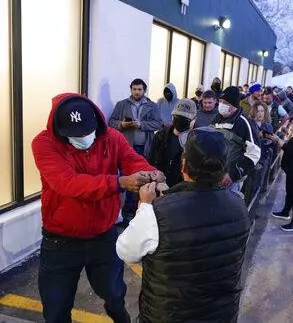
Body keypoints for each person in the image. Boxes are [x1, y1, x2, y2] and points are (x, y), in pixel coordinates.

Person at [31, 93, 165, 323]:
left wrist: (151, 174)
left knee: (114, 295)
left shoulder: (111, 137)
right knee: (56, 306)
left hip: (104, 235)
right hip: (60, 241)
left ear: (96, 122)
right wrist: (119, 182)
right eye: (76, 135)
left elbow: (132, 160)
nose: (84, 138)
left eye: (87, 132)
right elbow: (67, 182)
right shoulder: (44, 144)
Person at [116, 127, 252, 323]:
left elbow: (125, 251)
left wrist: (144, 207)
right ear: (224, 168)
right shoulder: (239, 206)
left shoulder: (156, 212)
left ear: (183, 165)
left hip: (168, 315)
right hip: (220, 314)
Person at [109, 78, 162, 225]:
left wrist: (141, 125)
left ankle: (138, 214)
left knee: (142, 180)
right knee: (127, 181)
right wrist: (122, 124)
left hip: (145, 147)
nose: (136, 92)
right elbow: (111, 123)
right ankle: (126, 215)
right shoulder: (122, 105)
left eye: (139, 89)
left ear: (144, 90)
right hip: (127, 147)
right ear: (131, 89)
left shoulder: (152, 106)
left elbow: (158, 123)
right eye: (134, 89)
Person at [211, 86, 261, 193]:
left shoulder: (244, 124)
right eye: (220, 101)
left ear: (233, 105)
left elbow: (254, 154)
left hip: (230, 181)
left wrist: (234, 173)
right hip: (212, 176)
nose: (221, 105)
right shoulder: (216, 120)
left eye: (225, 103)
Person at [148, 99, 197, 188]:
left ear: (194, 120)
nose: (180, 121)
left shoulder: (197, 141)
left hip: (183, 191)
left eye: (185, 119)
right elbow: (151, 162)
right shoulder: (160, 136)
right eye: (177, 117)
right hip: (160, 187)